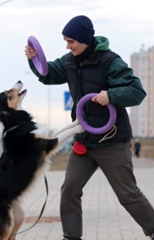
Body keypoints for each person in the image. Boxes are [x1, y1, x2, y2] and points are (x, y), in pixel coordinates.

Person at [25, 15, 154, 240]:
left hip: (112, 141)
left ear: (85, 40)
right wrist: (33, 59)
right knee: (69, 190)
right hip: (84, 140)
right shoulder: (70, 61)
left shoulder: (110, 62)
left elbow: (137, 92)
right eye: (65, 41)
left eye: (71, 41)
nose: (67, 46)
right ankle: (71, 237)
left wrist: (111, 95)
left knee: (127, 194)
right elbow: (47, 73)